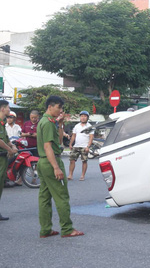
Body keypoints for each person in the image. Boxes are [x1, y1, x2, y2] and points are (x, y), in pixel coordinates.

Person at [37, 96, 84, 238]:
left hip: (43, 163)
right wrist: (56, 168)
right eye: (59, 107)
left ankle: (45, 229)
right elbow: (48, 147)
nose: (60, 110)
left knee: (44, 197)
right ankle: (67, 228)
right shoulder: (47, 123)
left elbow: (58, 141)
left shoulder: (47, 122)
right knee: (62, 197)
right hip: (51, 162)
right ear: (50, 107)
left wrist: (61, 125)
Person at [0, 100, 19, 221]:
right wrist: (10, 149)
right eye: (8, 107)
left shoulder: (2, 124)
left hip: (3, 159)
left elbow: (6, 139)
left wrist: (13, 146)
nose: (9, 110)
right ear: (2, 109)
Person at [68, 110, 94, 181]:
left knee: (84, 161)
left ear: (87, 118)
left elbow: (91, 137)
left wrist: (88, 146)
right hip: (76, 146)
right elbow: (73, 136)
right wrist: (70, 144)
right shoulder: (77, 126)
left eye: (85, 116)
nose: (83, 118)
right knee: (72, 160)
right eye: (82, 116)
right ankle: (70, 174)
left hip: (85, 146)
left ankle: (82, 175)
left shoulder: (90, 127)